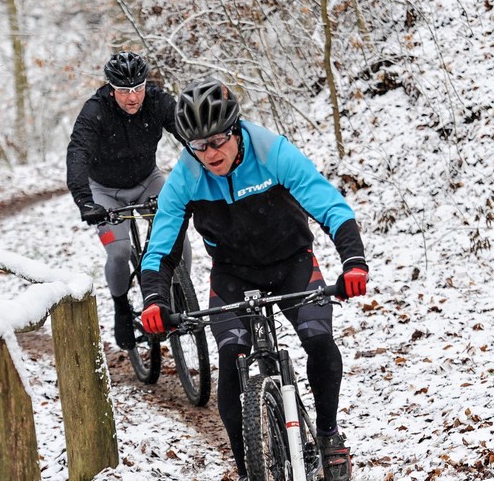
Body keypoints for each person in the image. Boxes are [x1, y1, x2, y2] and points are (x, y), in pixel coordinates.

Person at [138, 77, 368, 481]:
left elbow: (330, 205)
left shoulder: (272, 152)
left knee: (318, 340)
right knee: (230, 361)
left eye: (216, 141)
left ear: (235, 130)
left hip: (292, 262)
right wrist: (155, 300)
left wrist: (353, 262)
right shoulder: (186, 177)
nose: (208, 154)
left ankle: (330, 435)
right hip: (233, 274)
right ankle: (249, 470)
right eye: (197, 145)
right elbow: (160, 248)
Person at [66, 51, 189, 350]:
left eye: (138, 88)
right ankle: (121, 307)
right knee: (119, 252)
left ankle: (178, 293)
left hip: (148, 181)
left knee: (179, 240)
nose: (132, 97)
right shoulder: (95, 110)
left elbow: (189, 133)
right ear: (111, 88)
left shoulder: (158, 101)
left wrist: (211, 168)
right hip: (104, 191)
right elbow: (78, 152)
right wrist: (85, 201)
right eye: (124, 91)